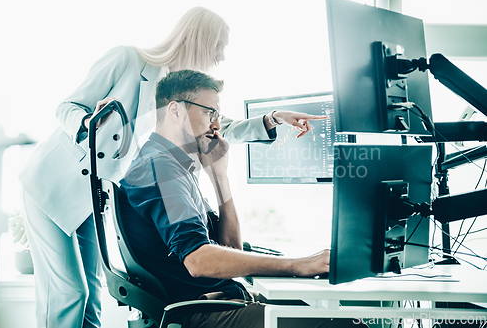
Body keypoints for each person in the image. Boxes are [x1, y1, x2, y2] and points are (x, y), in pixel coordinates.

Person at [18, 7, 325, 328]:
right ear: (200, 38)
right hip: (53, 186)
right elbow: (66, 106)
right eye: (219, 46)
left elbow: (219, 126)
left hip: (93, 199)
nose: (220, 57)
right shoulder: (128, 60)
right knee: (69, 294)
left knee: (92, 295)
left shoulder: (180, 94)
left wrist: (273, 118)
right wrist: (88, 123)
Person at [117, 70, 361, 328]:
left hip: (219, 301)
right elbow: (199, 261)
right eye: (210, 113)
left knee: (334, 315)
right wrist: (298, 265)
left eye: (217, 115)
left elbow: (231, 249)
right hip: (200, 313)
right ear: (175, 111)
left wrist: (219, 176)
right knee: (342, 324)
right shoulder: (161, 169)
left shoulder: (173, 165)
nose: (216, 125)